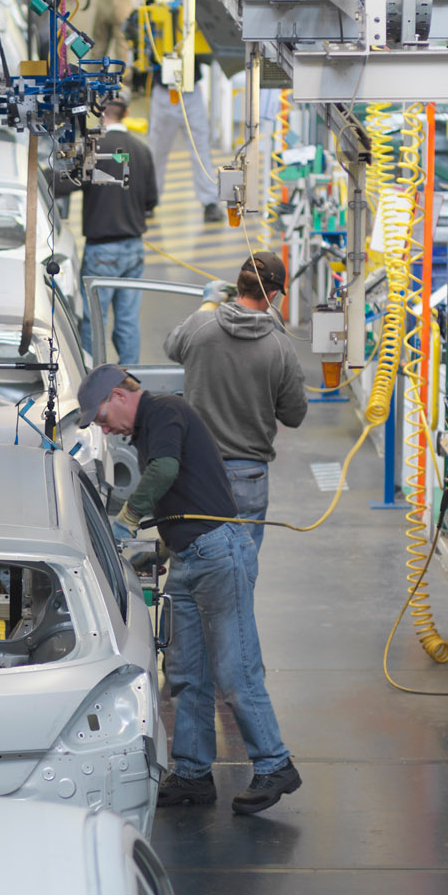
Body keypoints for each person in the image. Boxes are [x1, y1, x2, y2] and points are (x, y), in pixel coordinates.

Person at [76, 365, 298, 818]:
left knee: (235, 669)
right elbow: (181, 489)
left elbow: (166, 470)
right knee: (184, 671)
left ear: (120, 395)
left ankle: (275, 765)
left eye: (100, 418)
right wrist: (160, 541)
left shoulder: (165, 411)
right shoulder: (148, 428)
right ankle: (194, 773)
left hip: (217, 553)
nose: (104, 429)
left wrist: (127, 519)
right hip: (190, 555)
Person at [163, 250, 309, 558]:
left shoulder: (201, 326)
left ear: (238, 287)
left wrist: (208, 303)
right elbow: (294, 415)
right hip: (249, 475)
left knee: (197, 567)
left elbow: (171, 347)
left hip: (198, 468)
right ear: (272, 295)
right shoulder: (279, 346)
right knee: (241, 574)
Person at [78, 99, 158, 369]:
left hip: (102, 250)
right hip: (134, 248)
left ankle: (93, 375)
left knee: (94, 320)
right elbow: (151, 201)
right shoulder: (142, 149)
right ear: (127, 114)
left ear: (100, 117)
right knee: (127, 319)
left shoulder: (93, 149)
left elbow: (62, 186)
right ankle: (131, 378)